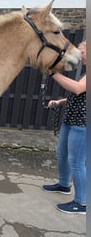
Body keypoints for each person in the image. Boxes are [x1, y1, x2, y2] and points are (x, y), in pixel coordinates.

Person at [42, 41, 86, 215]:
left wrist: (53, 73)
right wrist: (60, 101)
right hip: (71, 119)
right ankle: (64, 184)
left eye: (82, 52)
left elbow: (77, 89)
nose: (80, 55)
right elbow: (82, 95)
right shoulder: (85, 71)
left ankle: (82, 203)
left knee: (77, 162)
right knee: (62, 153)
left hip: (82, 124)